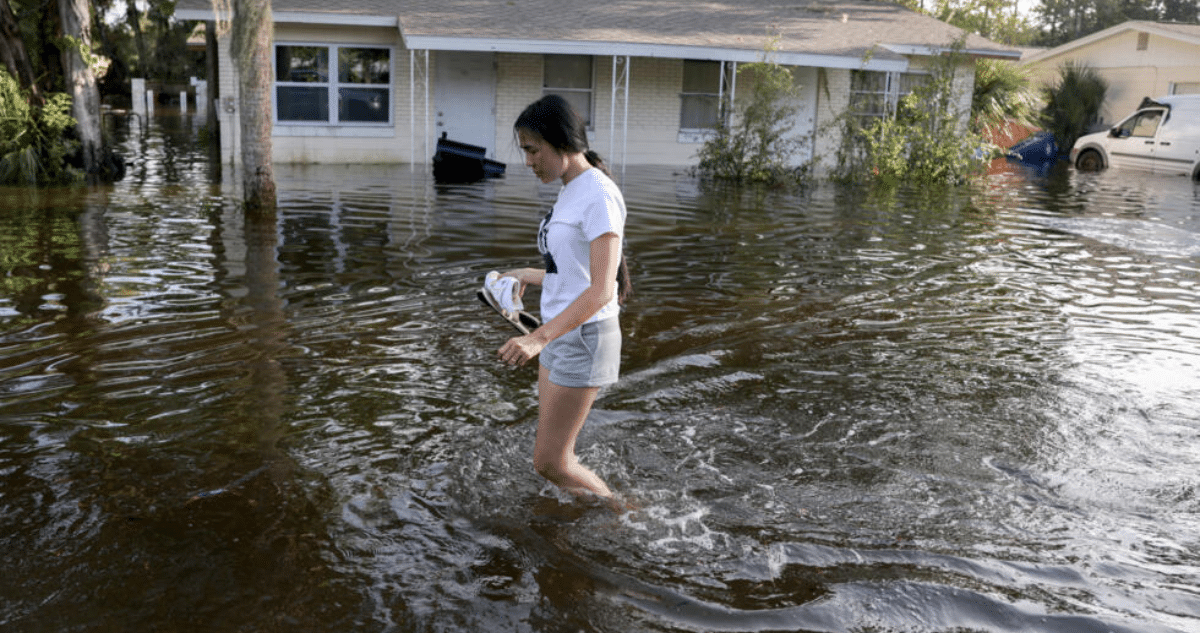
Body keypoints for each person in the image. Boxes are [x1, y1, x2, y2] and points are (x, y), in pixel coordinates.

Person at [498, 95, 630, 501]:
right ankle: (572, 508)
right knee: (553, 456)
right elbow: (571, 274)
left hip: (583, 336)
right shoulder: (570, 189)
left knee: (550, 462)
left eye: (533, 150)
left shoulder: (599, 196)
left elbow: (601, 290)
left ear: (561, 143)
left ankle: (624, 514)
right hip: (559, 333)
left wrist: (536, 338)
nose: (528, 161)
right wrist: (527, 275)